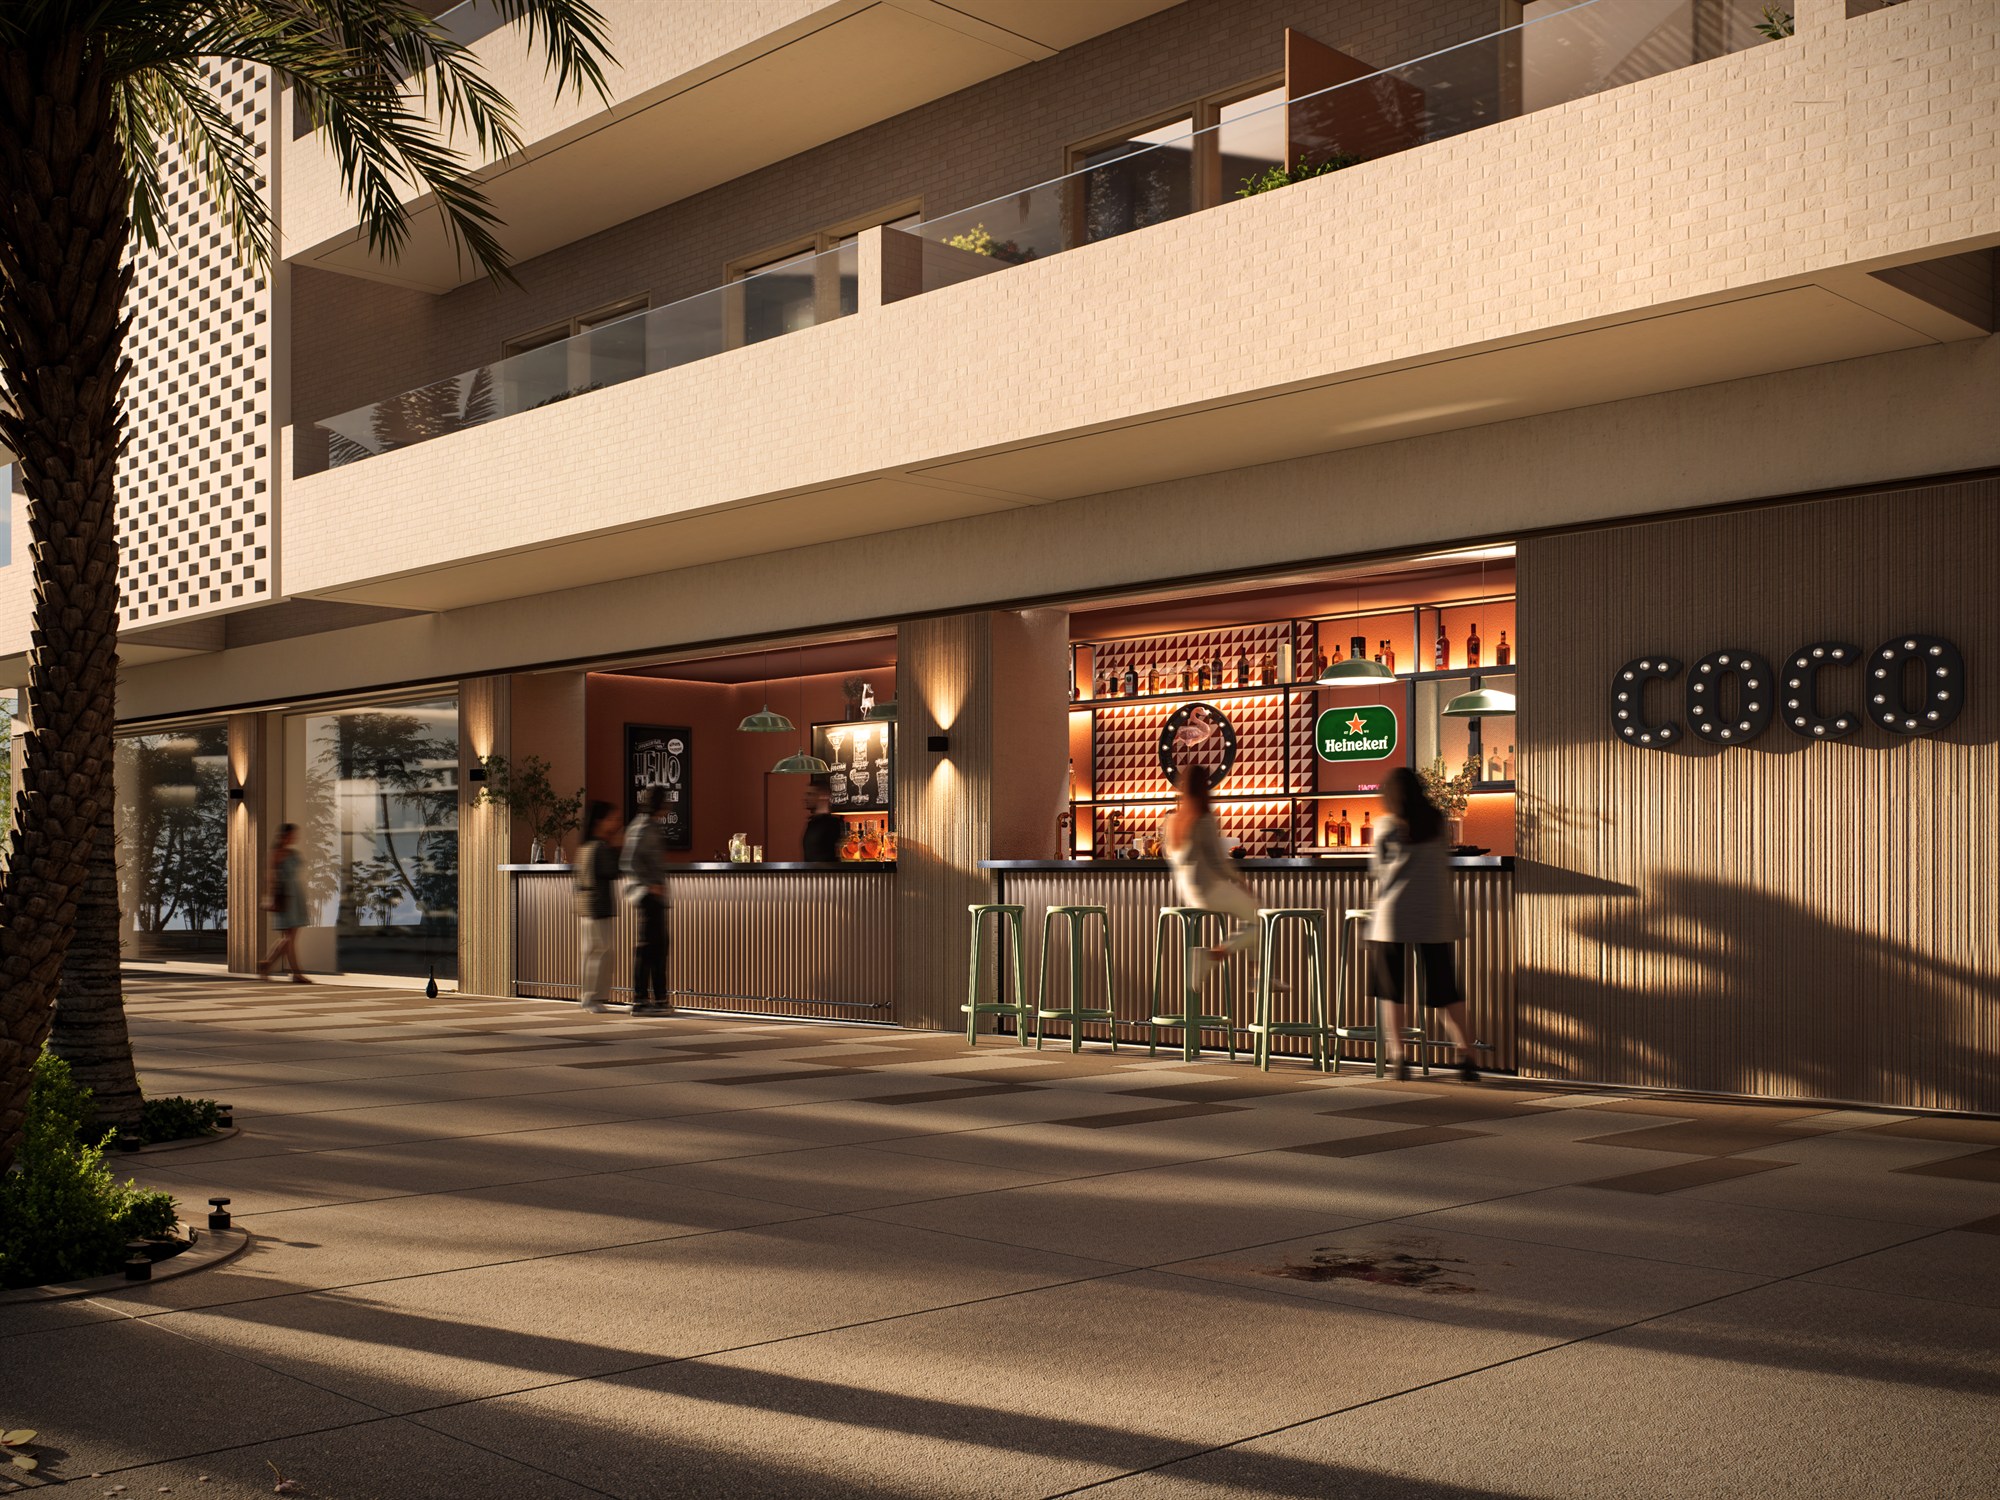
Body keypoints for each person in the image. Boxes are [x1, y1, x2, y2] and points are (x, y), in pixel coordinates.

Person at [1370, 766, 1480, 1082]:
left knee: (1392, 991)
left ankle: (1399, 1059)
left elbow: (1377, 870)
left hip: (1394, 916)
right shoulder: (1436, 823)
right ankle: (1467, 1056)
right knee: (1446, 990)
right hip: (1434, 917)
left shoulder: (1385, 826)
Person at [1162, 763, 1263, 986]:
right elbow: (1218, 862)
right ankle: (1234, 965)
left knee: (1256, 920)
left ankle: (1256, 976)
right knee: (1261, 920)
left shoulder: (1172, 820)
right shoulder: (1203, 818)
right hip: (1210, 889)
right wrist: (1242, 882)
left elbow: (1168, 854)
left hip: (1189, 892)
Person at [621, 784, 674, 1014]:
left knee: (656, 947)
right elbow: (629, 861)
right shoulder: (643, 828)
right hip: (647, 895)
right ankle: (643, 999)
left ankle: (657, 999)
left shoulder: (646, 825)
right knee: (650, 948)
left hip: (653, 895)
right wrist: (649, 885)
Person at [574, 800, 621, 1012]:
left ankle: (589, 996)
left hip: (586, 906)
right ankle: (592, 997)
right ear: (600, 821)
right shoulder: (600, 847)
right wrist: (617, 847)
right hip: (598, 906)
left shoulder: (585, 847)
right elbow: (613, 871)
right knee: (601, 952)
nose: (615, 823)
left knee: (591, 952)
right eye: (612, 819)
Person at [257, 823, 311, 983]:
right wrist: (269, 898)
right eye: (292, 835)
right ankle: (295, 973)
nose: (295, 838)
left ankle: (268, 964)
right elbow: (269, 877)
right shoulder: (276, 853)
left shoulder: (292, 852)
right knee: (289, 937)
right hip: (285, 895)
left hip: (296, 893)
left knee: (289, 938)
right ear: (284, 836)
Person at [802, 781, 843, 863]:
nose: (806, 798)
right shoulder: (812, 823)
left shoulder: (833, 824)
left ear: (823, 796)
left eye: (810, 794)